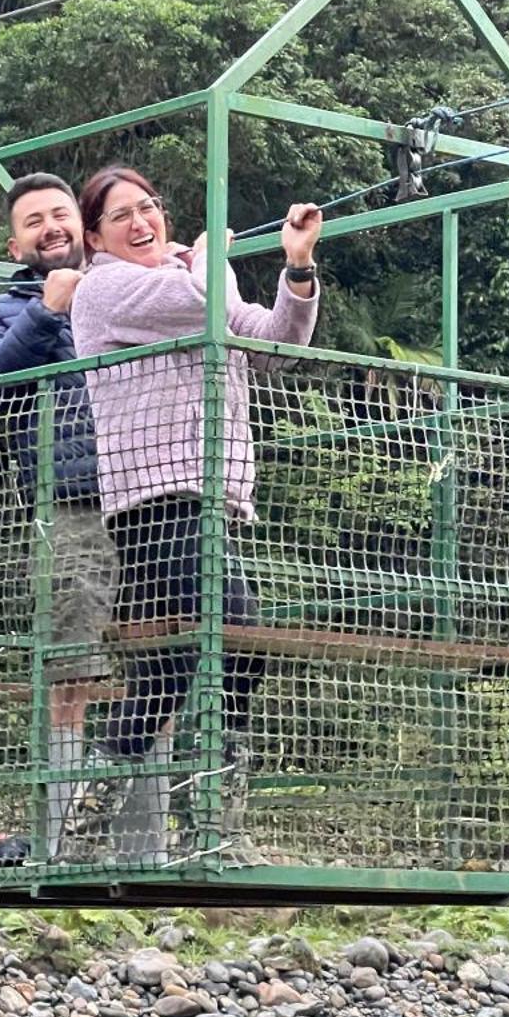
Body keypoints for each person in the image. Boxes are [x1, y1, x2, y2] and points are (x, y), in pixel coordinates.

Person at [61, 164, 323, 862]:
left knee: (165, 675)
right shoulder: (107, 288)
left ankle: (88, 834)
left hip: (214, 497)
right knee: (238, 631)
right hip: (158, 499)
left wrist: (296, 270)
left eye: (150, 206)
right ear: (95, 238)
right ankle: (211, 827)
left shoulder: (192, 275)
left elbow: (273, 342)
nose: (144, 222)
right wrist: (211, 258)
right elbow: (203, 298)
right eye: (123, 216)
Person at [0, 173, 171, 860]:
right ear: (15, 242)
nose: (49, 227)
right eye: (34, 221)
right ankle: (64, 843)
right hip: (72, 502)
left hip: (150, 495)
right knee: (72, 667)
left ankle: (149, 847)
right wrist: (46, 312)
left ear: (84, 228)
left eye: (59, 214)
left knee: (158, 661)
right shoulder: (7, 306)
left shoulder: (129, 283)